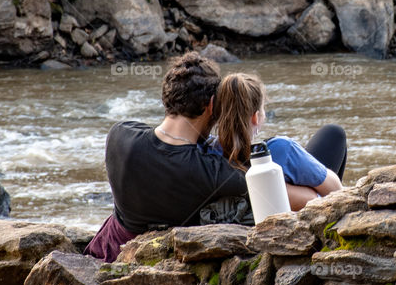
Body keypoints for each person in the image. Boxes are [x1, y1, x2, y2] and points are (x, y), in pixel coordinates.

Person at [85, 52, 248, 261]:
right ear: (211, 105)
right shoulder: (213, 172)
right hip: (165, 263)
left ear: (167, 95)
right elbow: (255, 175)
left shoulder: (120, 135)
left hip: (106, 253)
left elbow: (158, 143)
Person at [212, 72, 346, 209]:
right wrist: (310, 194)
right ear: (256, 117)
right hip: (299, 214)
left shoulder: (207, 153)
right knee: (334, 133)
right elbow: (336, 190)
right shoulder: (280, 149)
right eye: (263, 109)